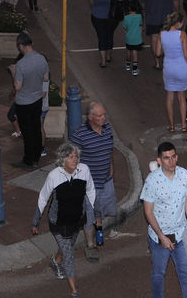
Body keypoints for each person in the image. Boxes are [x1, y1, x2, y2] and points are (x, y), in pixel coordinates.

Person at [32, 142, 95, 297]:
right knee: (69, 255)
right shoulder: (54, 176)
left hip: (76, 220)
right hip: (58, 222)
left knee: (68, 246)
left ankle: (56, 261)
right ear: (62, 160)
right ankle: (74, 291)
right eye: (70, 157)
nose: (75, 160)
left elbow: (91, 191)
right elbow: (43, 197)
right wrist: (35, 221)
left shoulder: (84, 170)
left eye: (76, 157)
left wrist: (90, 212)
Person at [141, 141, 187, 298]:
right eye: (166, 158)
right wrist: (161, 236)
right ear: (159, 161)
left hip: (181, 236)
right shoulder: (152, 181)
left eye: (173, 157)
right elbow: (148, 212)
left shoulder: (184, 174)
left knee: (186, 275)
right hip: (160, 240)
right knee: (159, 274)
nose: (171, 161)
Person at [70, 101, 118, 260]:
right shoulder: (79, 135)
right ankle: (90, 245)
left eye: (104, 114)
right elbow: (70, 161)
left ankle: (99, 231)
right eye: (100, 115)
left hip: (106, 181)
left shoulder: (107, 128)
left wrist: (111, 167)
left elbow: (109, 148)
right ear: (90, 117)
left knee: (103, 210)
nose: (104, 118)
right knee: (89, 216)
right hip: (89, 186)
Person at [12, 33, 49, 170]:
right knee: (36, 129)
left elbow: (17, 86)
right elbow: (45, 78)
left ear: (21, 46)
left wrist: (13, 72)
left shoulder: (21, 64)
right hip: (37, 99)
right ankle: (36, 157)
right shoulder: (41, 59)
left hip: (24, 103)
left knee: (27, 132)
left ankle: (28, 159)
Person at [142, 0, 180, 70]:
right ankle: (165, 59)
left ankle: (157, 62)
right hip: (167, 18)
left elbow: (142, 3)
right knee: (166, 40)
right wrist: (177, 14)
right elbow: (176, 2)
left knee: (154, 39)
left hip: (152, 17)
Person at [161, 11, 187, 133]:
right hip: (181, 67)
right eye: (182, 22)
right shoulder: (182, 34)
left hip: (168, 67)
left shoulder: (162, 34)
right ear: (178, 23)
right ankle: (184, 126)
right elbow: (186, 54)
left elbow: (158, 52)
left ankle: (171, 126)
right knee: (181, 97)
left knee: (169, 97)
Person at [89, 0, 117, 68]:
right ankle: (109, 56)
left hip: (97, 16)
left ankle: (103, 61)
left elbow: (91, 2)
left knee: (101, 37)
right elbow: (116, 1)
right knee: (109, 35)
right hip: (110, 17)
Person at [121, 0, 144, 76]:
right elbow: (141, 26)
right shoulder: (139, 16)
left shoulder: (126, 17)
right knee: (135, 53)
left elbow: (124, 27)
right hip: (137, 39)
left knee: (128, 51)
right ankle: (134, 70)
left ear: (129, 8)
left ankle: (127, 66)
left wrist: (127, 33)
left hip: (129, 38)